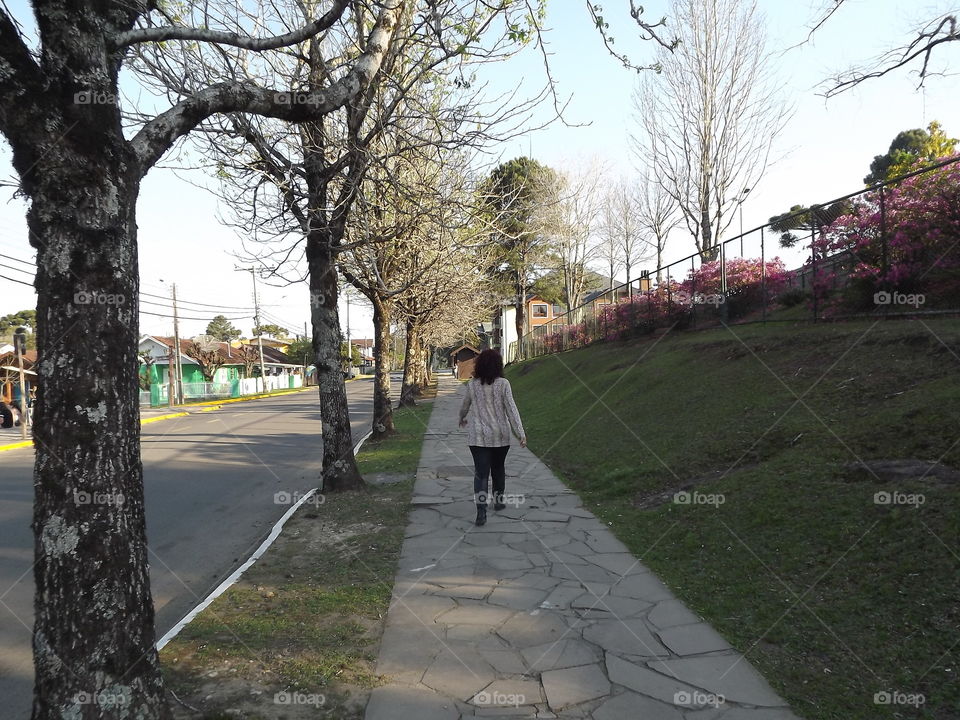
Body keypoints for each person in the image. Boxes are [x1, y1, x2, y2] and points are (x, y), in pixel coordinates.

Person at [458, 348, 526, 526]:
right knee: (498, 468)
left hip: (478, 437)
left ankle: (481, 512)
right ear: (498, 365)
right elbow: (512, 410)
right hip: (500, 435)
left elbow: (465, 405)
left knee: (481, 474)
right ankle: (499, 500)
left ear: (479, 365)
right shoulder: (504, 384)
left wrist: (462, 417)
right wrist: (520, 433)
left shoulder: (472, 385)